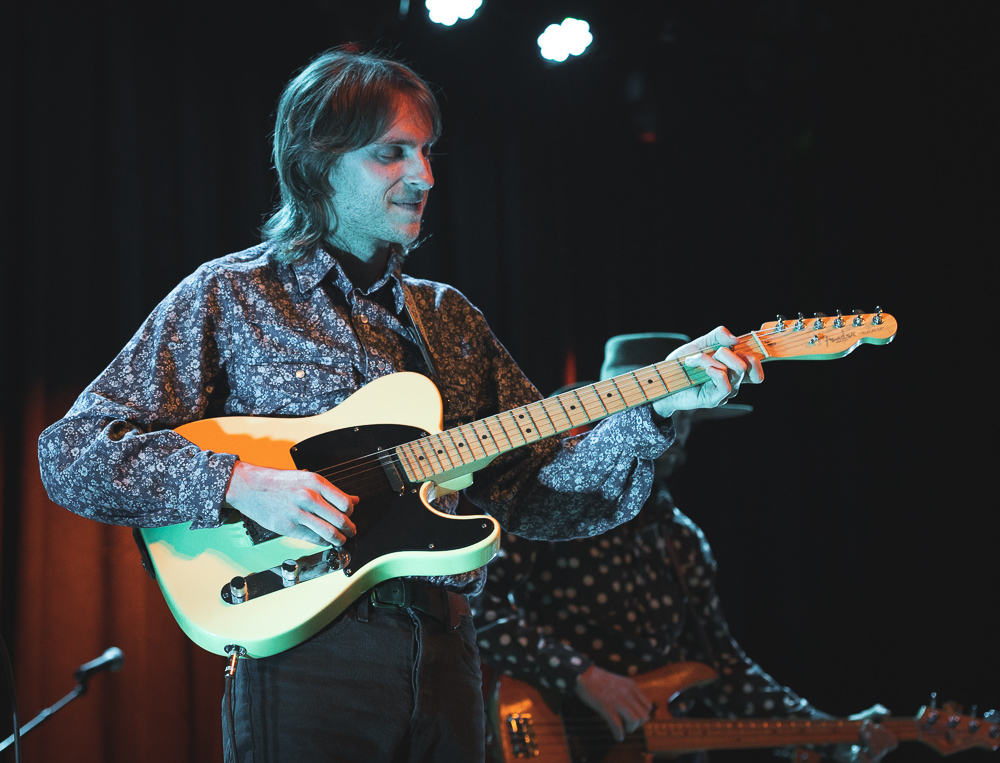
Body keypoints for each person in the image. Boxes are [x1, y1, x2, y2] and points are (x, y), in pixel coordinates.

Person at [36, 49, 765, 763]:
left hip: (449, 656)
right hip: (309, 658)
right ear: (318, 162)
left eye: (426, 151)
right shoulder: (230, 296)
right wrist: (240, 483)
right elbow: (71, 451)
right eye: (392, 153)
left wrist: (657, 405)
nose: (423, 175)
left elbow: (543, 494)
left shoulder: (450, 319)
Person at [472, 333, 896, 763]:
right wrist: (582, 676)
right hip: (556, 731)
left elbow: (723, 667)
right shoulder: (555, 504)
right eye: (668, 405)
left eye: (689, 411)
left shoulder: (681, 539)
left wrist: (828, 729)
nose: (679, 425)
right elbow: (474, 604)